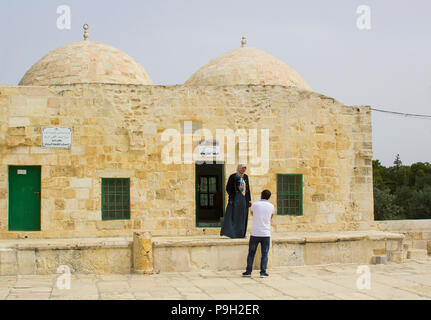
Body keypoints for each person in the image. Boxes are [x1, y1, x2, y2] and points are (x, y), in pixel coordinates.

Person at [242, 189, 274, 278]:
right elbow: (271, 216)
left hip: (255, 233)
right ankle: (263, 272)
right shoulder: (271, 206)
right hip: (266, 234)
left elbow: (252, 213)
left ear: (261, 195)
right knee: (264, 254)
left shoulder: (255, 205)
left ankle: (248, 271)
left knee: (251, 253)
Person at [220, 164, 251, 238]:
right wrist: (232, 196)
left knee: (242, 216)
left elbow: (248, 189)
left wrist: (249, 200)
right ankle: (232, 233)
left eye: (245, 168)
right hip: (235, 198)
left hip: (243, 199)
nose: (243, 170)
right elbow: (228, 188)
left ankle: (241, 234)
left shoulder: (245, 177)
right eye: (242, 168)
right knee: (234, 215)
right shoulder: (233, 176)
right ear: (239, 168)